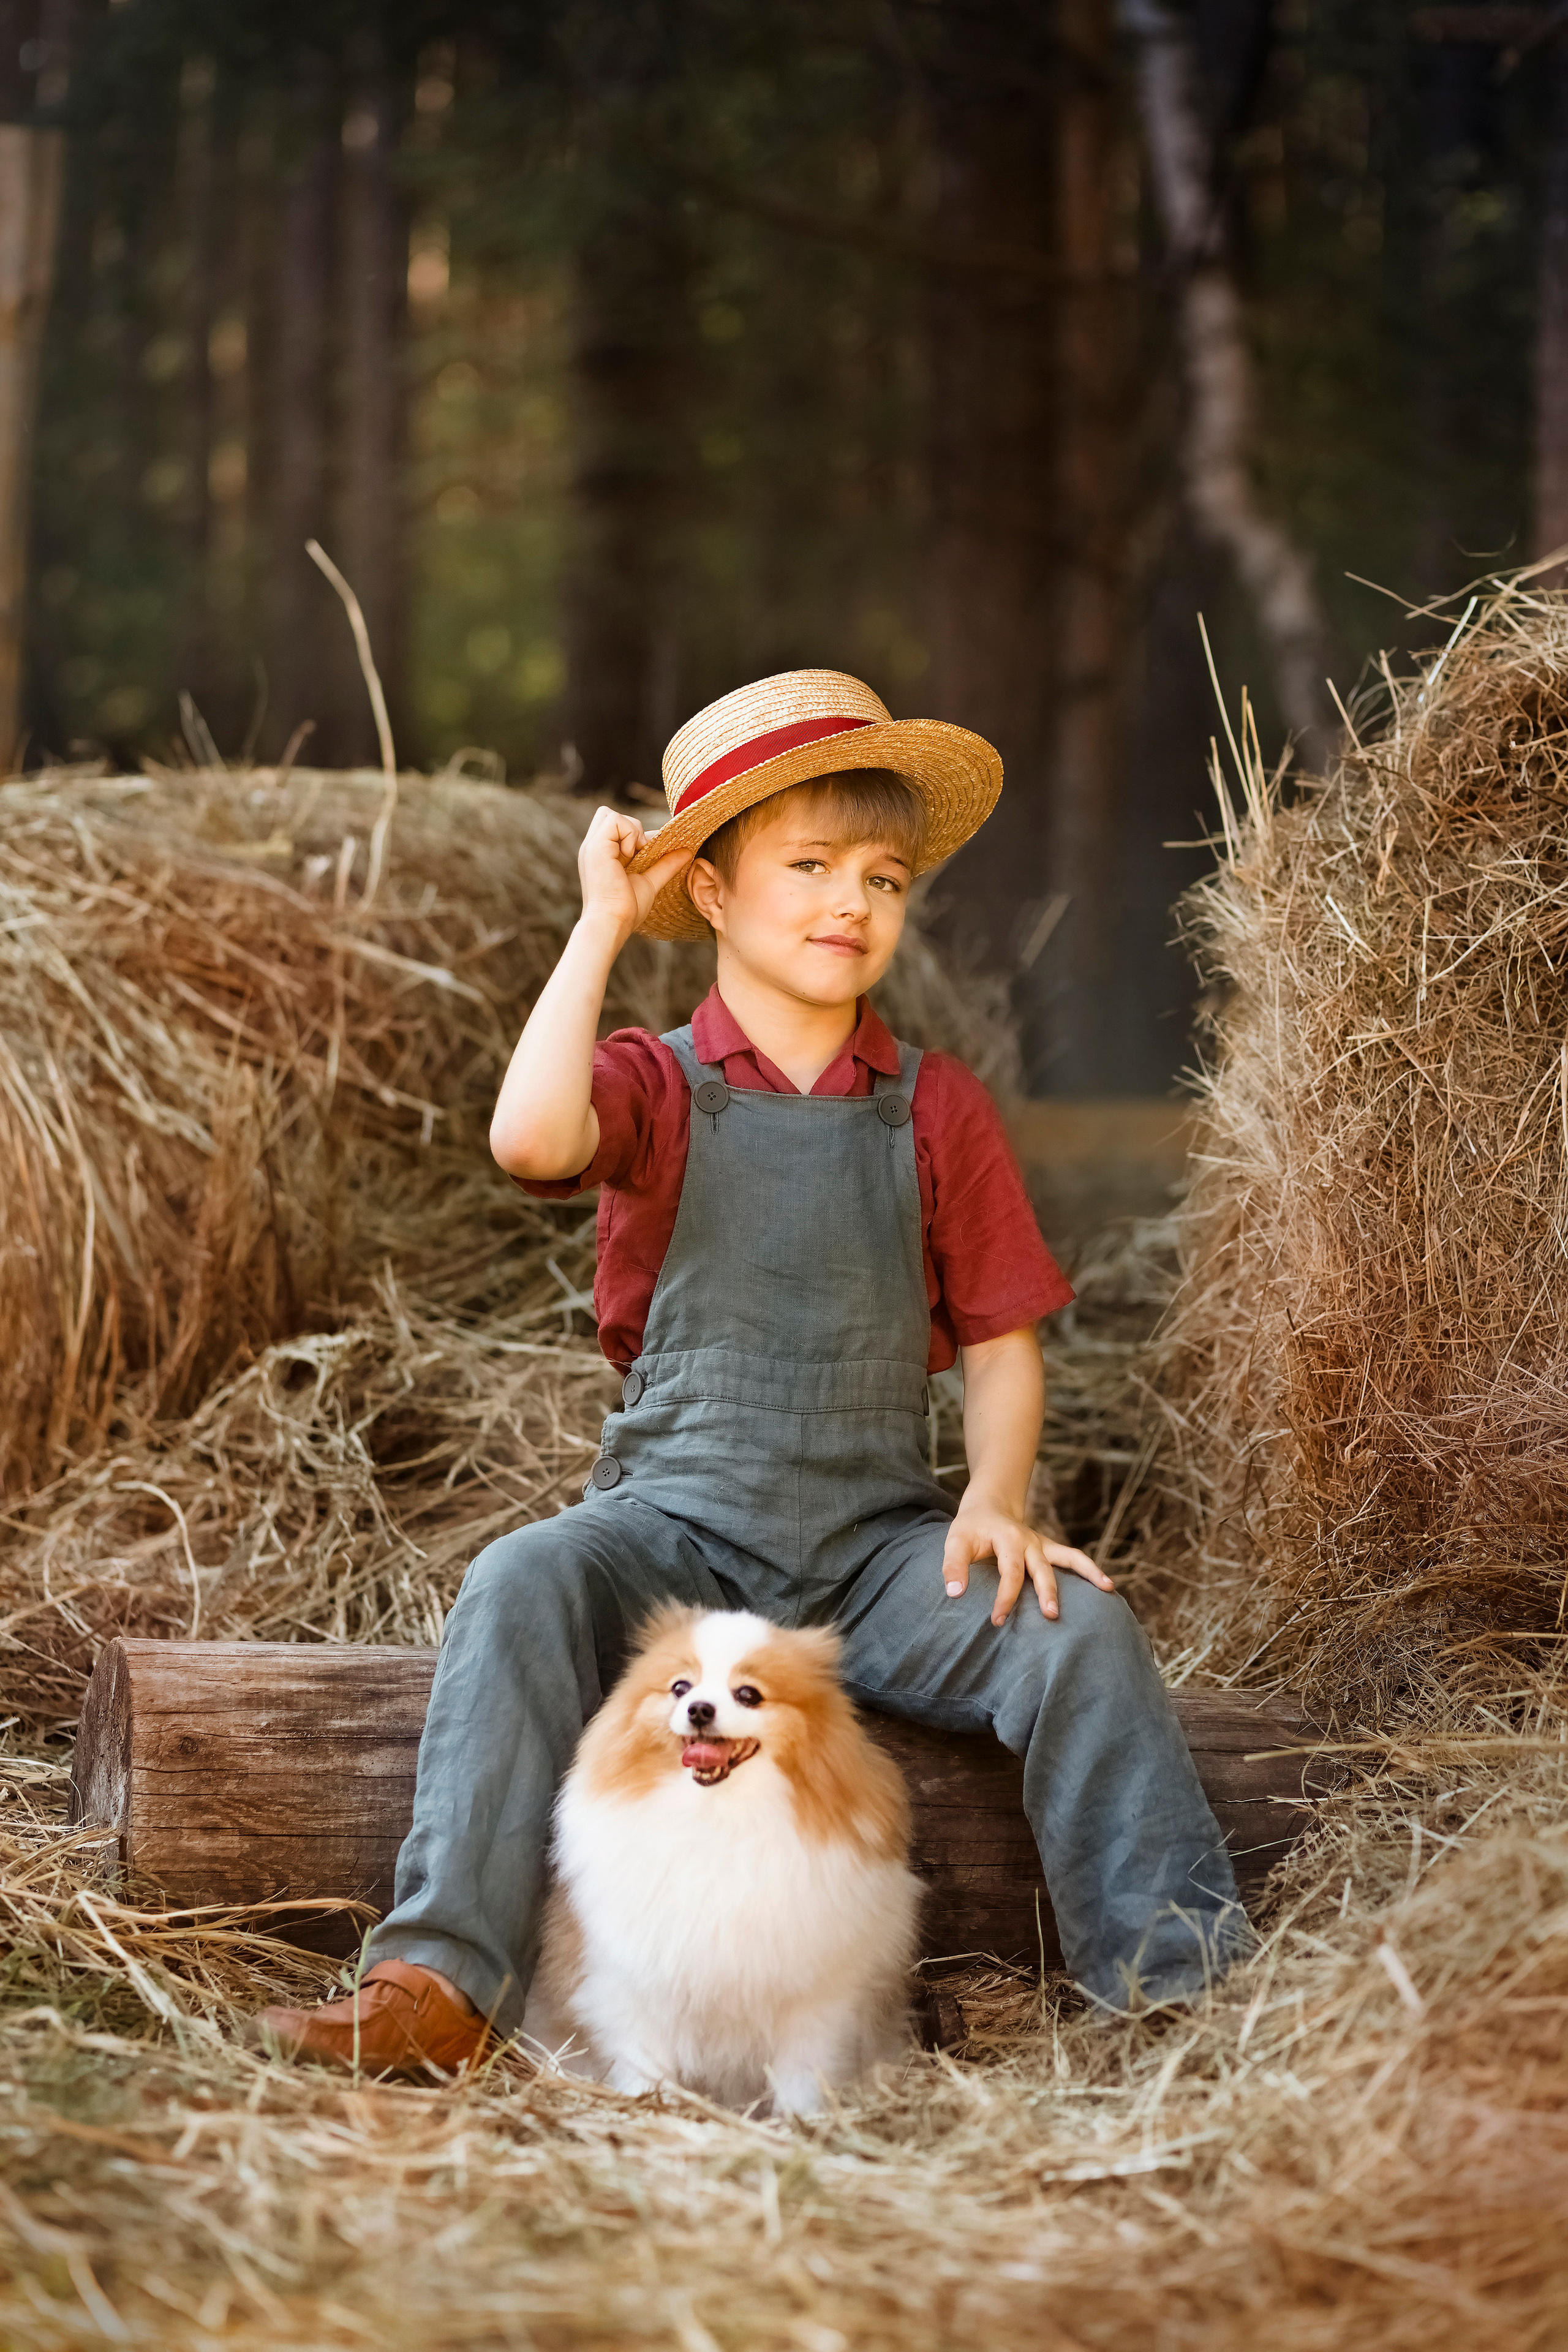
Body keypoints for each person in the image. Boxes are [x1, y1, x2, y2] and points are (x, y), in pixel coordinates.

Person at [249, 668, 1247, 2074]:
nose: (853, 902)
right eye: (810, 866)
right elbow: (529, 1143)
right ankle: (437, 1984)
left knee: (1076, 1636)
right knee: (517, 1578)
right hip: (668, 1534)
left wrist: (996, 1500)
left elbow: (1004, 1346)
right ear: (712, 893)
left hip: (872, 1554)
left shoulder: (932, 1106)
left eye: (885, 877)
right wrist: (598, 924)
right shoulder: (658, 1086)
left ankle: (1174, 1994)